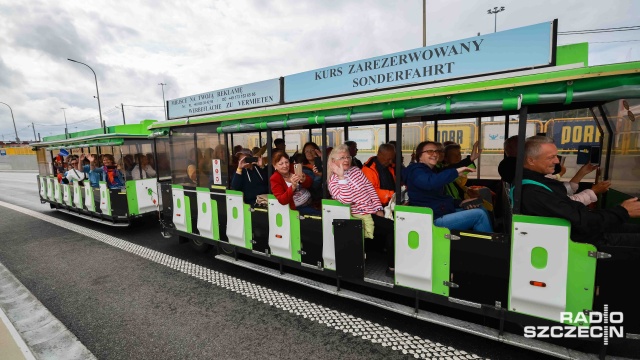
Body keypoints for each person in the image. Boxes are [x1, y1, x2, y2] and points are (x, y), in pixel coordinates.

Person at [519, 136, 640, 247]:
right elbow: (581, 221)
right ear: (531, 161)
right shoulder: (533, 192)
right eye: (551, 157)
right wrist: (622, 211)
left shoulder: (537, 182)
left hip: (583, 231)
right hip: (583, 241)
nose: (556, 161)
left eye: (556, 156)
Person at [327, 144, 395, 275]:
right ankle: (392, 267)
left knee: (394, 226)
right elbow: (347, 200)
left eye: (348, 157)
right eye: (341, 158)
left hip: (371, 212)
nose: (346, 160)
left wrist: (377, 208)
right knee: (393, 228)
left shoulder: (356, 171)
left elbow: (370, 190)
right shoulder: (333, 180)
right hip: (357, 216)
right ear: (333, 161)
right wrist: (341, 177)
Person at [403, 141, 493, 232]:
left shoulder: (432, 171)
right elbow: (430, 183)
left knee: (481, 208)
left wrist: (460, 203)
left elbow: (439, 195)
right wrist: (456, 172)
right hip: (432, 219)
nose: (435, 154)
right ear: (420, 156)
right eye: (430, 151)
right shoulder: (415, 171)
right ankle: (491, 246)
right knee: (479, 215)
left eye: (436, 151)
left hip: (440, 212)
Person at [499, 135, 609, 205]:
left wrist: (581, 173)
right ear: (530, 158)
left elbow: (562, 192)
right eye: (551, 157)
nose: (556, 161)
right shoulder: (530, 187)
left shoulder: (532, 178)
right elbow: (567, 205)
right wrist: (593, 191)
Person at [270, 151, 320, 216]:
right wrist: (293, 187)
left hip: (312, 200)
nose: (285, 166)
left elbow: (309, 183)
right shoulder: (275, 178)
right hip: (298, 208)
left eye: (286, 162)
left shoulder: (294, 167)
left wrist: (304, 179)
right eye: (281, 164)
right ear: (275, 165)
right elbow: (282, 200)